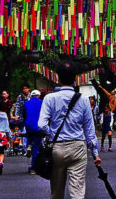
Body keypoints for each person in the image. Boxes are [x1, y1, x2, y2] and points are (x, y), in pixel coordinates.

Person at [38, 61, 102, 199]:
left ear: (58, 78)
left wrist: (52, 134)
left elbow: (42, 125)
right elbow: (89, 130)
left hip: (57, 148)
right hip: (78, 146)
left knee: (56, 192)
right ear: (75, 78)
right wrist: (95, 153)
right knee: (77, 192)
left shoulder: (49, 98)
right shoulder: (84, 100)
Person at [23, 89, 44, 171]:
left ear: (31, 96)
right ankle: (33, 167)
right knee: (37, 147)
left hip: (28, 125)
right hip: (38, 126)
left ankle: (29, 146)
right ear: (39, 96)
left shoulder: (26, 103)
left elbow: (24, 116)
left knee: (29, 137)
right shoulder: (42, 102)